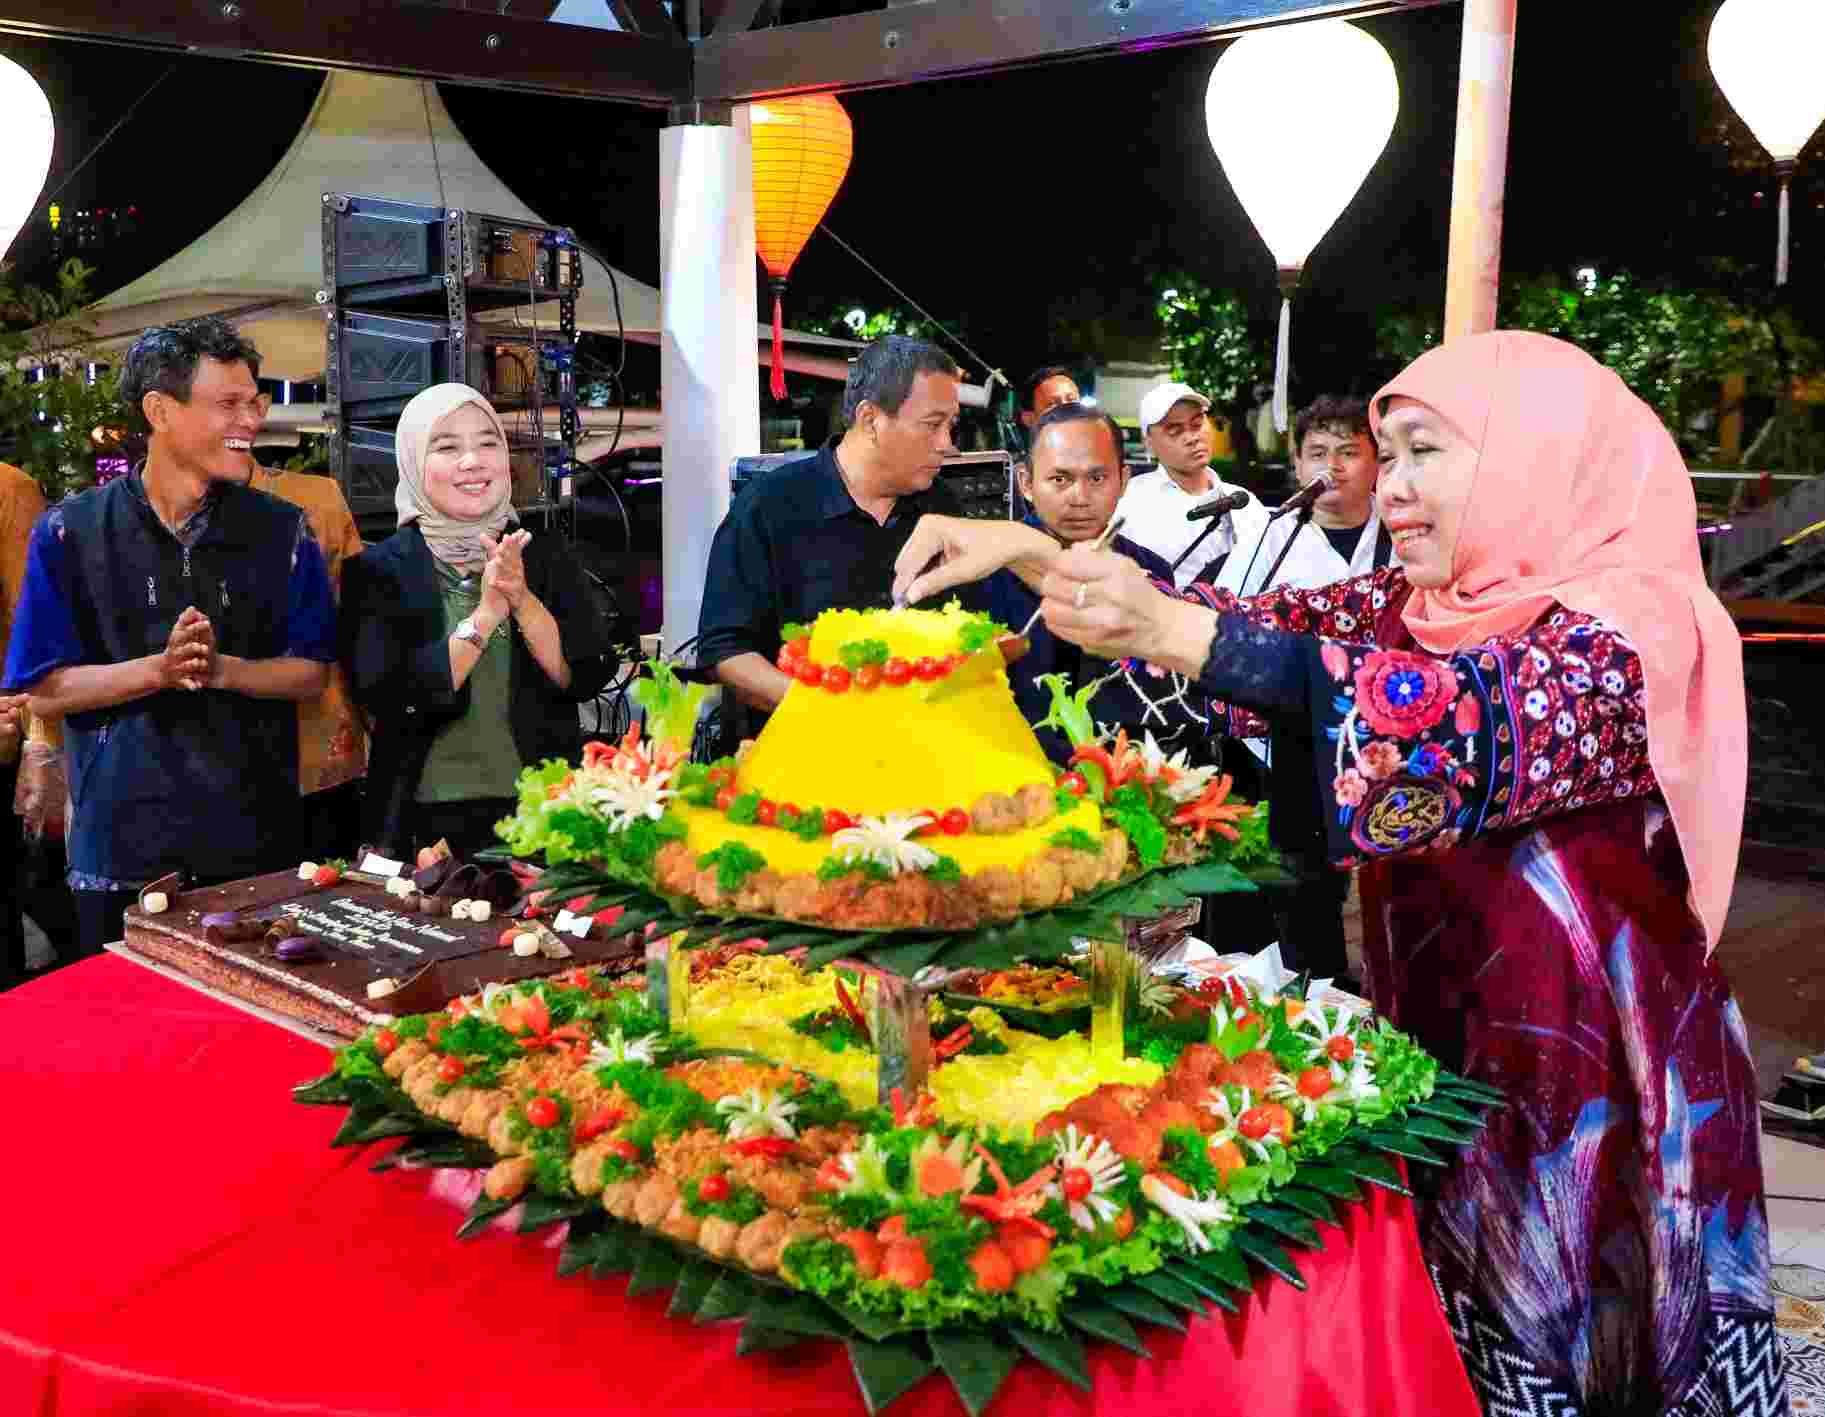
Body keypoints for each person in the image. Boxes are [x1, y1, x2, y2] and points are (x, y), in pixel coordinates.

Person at [891, 331, 1785, 1416]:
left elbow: (1457, 728)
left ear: (1536, 456)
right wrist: (1034, 554)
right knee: (1450, 1330)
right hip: (1447, 1027)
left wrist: (1174, 628)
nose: (1390, 490)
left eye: (1422, 454)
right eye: (1385, 455)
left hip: (1600, 1076)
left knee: (1597, 1332)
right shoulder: (1414, 605)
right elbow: (1252, 637)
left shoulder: (1629, 633)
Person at [2, 318, 337, 957]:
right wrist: (158, 670)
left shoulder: (284, 529)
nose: (251, 420)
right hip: (119, 851)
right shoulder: (71, 531)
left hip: (254, 847)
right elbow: (43, 691)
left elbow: (312, 671)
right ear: (160, 409)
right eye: (228, 404)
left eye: (254, 402)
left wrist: (222, 669)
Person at [340, 383, 617, 860]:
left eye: (488, 443)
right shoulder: (378, 569)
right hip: (422, 821)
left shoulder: (544, 552)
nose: (473, 461)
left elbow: (585, 674)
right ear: (413, 462)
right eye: (448, 447)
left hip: (545, 814)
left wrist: (522, 598)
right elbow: (393, 699)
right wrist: (487, 614)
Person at [697, 335, 984, 725]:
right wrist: (825, 710)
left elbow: (968, 636)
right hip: (799, 752)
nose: (946, 445)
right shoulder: (770, 505)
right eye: (932, 426)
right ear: (870, 420)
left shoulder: (942, 507)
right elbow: (725, 651)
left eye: (951, 426)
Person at [1211, 395, 1395, 983]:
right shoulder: (1268, 540)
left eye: (1349, 452)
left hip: (1389, 747)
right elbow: (1226, 638)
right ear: (1296, 465)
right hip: (1288, 752)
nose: (1333, 467)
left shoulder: (1403, 537)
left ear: (1377, 463)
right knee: (1299, 894)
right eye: (1318, 452)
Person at [991, 402, 1175, 763]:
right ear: (1026, 482)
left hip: (1122, 782)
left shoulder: (1152, 574)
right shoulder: (988, 569)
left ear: (1123, 481)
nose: (1078, 497)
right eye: (1060, 479)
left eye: (1096, 478)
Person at [236, 446, 369, 860]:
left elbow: (359, 626)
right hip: (215, 766)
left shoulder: (319, 498)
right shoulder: (154, 517)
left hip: (322, 756)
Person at [1115, 381, 1268, 588]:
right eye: (1175, 431)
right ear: (1149, 443)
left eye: (1197, 425)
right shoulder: (1128, 501)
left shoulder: (1245, 502)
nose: (1192, 438)